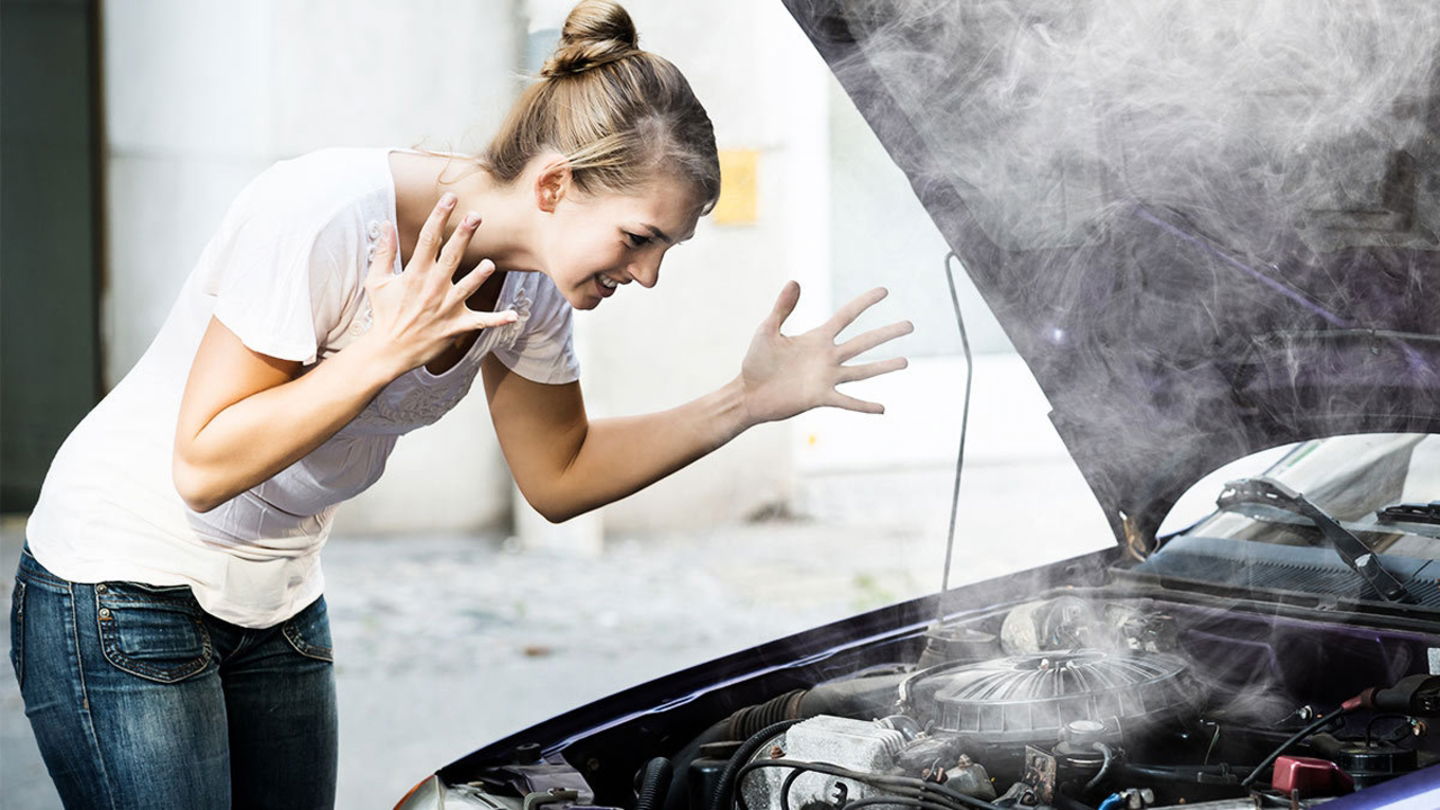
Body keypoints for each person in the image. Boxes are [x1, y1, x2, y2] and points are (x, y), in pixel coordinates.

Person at [8, 1, 912, 807]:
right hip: (120, 582)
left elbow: (559, 475)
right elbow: (202, 465)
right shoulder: (325, 215)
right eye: (639, 238)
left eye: (665, 249)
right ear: (554, 184)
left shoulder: (537, 289)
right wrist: (381, 351)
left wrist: (745, 402)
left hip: (276, 591)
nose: (647, 274)